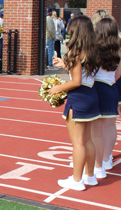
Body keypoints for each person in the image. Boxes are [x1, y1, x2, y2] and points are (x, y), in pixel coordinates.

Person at [49, 16, 100, 190]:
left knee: (77, 143)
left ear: (76, 30)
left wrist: (57, 88)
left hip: (78, 98)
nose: (68, 31)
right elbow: (82, 74)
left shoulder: (75, 52)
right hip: (91, 96)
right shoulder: (93, 50)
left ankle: (77, 181)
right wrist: (65, 65)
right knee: (88, 140)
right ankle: (90, 176)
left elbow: (76, 81)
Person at [90, 17, 120, 180]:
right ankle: (107, 159)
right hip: (112, 88)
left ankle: (98, 165)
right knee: (110, 126)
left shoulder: (95, 49)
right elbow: (117, 75)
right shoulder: (117, 50)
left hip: (99, 88)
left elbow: (90, 73)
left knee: (96, 132)